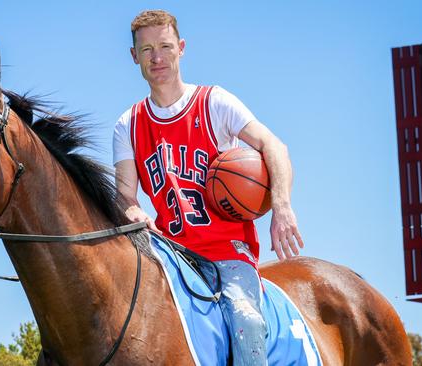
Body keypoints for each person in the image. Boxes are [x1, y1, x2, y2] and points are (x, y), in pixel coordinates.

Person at [112, 10, 304, 365]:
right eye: (147, 49)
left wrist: (282, 206)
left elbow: (274, 146)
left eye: (166, 46)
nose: (157, 57)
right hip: (170, 256)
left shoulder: (214, 102)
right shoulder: (128, 124)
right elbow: (124, 193)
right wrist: (133, 208)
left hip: (228, 253)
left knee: (245, 318)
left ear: (181, 48)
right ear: (133, 56)